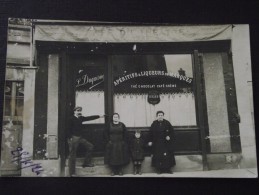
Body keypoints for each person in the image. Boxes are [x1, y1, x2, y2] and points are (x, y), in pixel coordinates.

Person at [68, 106, 105, 177]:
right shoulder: (71, 119)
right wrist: (70, 138)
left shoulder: (80, 118)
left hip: (80, 138)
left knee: (90, 147)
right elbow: (68, 129)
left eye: (80, 111)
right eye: (78, 110)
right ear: (74, 111)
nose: (79, 112)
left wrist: (99, 116)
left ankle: (86, 163)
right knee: (72, 156)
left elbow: (89, 118)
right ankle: (72, 173)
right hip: (73, 138)